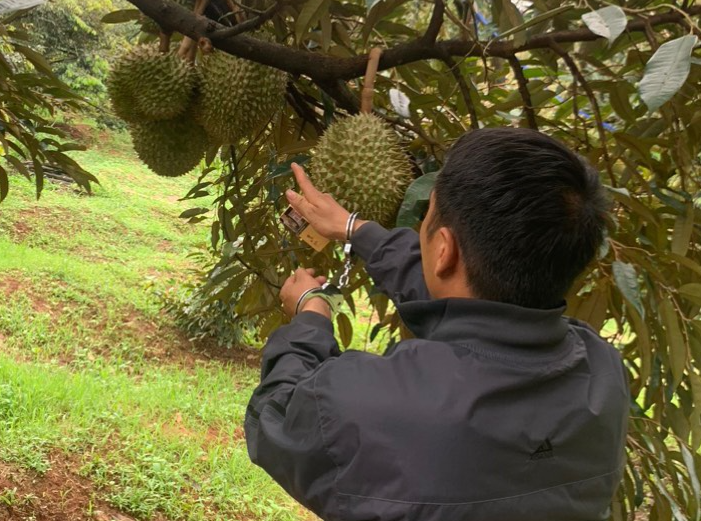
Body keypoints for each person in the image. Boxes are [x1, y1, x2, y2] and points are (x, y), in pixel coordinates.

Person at [244, 127, 629, 521]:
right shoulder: (603, 374)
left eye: (428, 214)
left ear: (443, 250)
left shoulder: (370, 406)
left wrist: (310, 315)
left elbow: (275, 416)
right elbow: (465, 295)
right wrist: (355, 229)